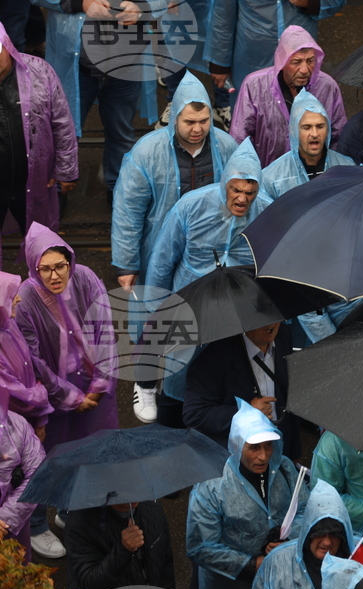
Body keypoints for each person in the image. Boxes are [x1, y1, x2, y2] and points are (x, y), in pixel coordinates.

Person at [112, 72, 239, 424]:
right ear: (174, 117)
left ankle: (189, 388)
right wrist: (126, 263)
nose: (197, 128)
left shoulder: (226, 148)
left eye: (203, 121)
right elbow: (128, 210)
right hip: (158, 250)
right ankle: (146, 383)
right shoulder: (147, 152)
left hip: (205, 253)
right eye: (190, 121)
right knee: (154, 318)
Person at [146, 139, 272, 426]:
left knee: (224, 379)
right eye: (235, 190)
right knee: (178, 376)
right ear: (224, 183)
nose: (241, 199)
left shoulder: (266, 212)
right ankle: (167, 431)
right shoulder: (191, 207)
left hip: (237, 315)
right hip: (189, 307)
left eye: (249, 192)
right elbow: (161, 263)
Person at [17, 223, 118, 559]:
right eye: (44, 269)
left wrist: (100, 384)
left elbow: (106, 330)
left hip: (95, 387)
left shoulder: (86, 278)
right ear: (33, 267)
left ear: (70, 261)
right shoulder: (27, 299)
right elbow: (33, 360)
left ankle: (73, 509)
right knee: (50, 460)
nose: (54, 275)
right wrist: (71, 398)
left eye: (60, 266)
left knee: (95, 451)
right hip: (54, 396)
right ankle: (41, 524)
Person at [187, 398, 309, 589]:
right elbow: (200, 546)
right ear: (237, 445)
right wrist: (254, 563)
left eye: (268, 446)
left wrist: (287, 540)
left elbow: (304, 510)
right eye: (254, 448)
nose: (263, 456)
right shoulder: (211, 486)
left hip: (275, 582)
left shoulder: (286, 469)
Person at [31, 0, 155, 205]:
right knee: (62, 131)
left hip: (126, 66)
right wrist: (81, 3)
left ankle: (118, 193)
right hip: (78, 68)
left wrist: (142, 9)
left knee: (121, 133)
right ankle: (58, 192)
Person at [230, 27, 348, 169]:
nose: (304, 69)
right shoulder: (255, 85)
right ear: (282, 62)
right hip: (267, 173)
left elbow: (339, 136)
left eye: (310, 61)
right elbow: (240, 138)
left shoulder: (327, 86)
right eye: (296, 62)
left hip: (315, 174)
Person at [184, 321, 303, 461]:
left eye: (275, 312)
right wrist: (246, 412)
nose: (272, 322)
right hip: (239, 459)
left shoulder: (283, 334)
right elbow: (194, 414)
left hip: (279, 450)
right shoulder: (213, 358)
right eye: (262, 314)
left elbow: (289, 395)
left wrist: (294, 454)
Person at [0, 22, 76, 236]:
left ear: (7, 44)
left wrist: (66, 170)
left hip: (35, 179)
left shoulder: (39, 70)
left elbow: (62, 122)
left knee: (41, 241)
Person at [207, 0, 346, 92]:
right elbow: (222, 17)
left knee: (300, 115)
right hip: (252, 59)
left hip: (299, 55)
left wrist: (310, 2)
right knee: (250, 115)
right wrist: (219, 64)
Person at [64, 500, 174, 589]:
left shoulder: (153, 508)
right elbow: (89, 587)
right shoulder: (80, 523)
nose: (135, 491)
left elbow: (166, 571)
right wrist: (122, 550)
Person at [261, 90, 354, 199]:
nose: (314, 134)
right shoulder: (272, 178)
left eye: (320, 126)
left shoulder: (347, 167)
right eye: (307, 127)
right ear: (293, 131)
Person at [0, 272, 51, 434]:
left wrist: (40, 419)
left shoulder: (8, 324)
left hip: (27, 421)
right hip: (11, 431)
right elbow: (14, 394)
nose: (19, 299)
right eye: (13, 295)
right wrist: (42, 398)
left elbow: (28, 367)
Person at [0, 388, 45, 563]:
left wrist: (5, 519)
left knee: (18, 575)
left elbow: (37, 475)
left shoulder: (18, 424)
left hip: (12, 528)